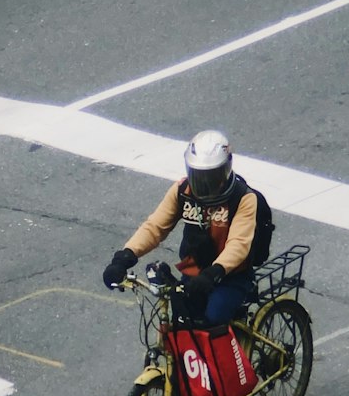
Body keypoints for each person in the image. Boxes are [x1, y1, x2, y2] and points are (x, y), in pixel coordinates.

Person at [103, 129, 265, 325]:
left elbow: (238, 244)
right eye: (198, 176)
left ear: (226, 169)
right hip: (195, 275)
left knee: (213, 321)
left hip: (230, 276)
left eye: (211, 176)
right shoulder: (182, 191)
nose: (204, 183)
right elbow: (155, 227)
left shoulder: (243, 198)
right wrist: (124, 257)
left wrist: (214, 272)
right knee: (183, 323)